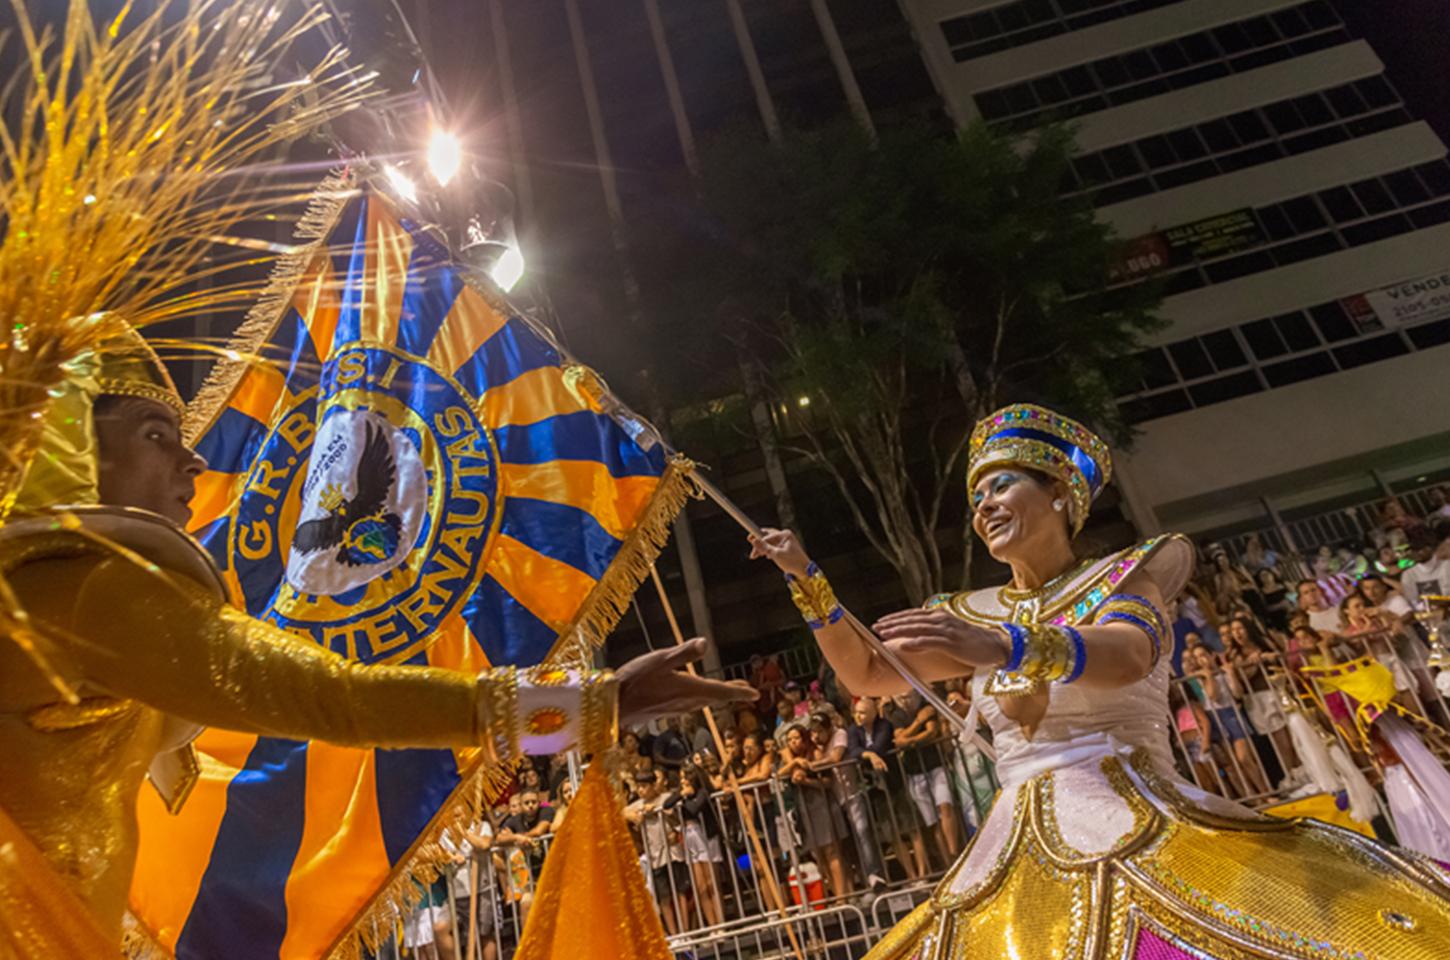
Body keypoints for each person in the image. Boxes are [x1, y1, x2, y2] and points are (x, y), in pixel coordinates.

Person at [0, 325, 758, 952]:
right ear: (68, 448)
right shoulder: (80, 590)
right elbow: (332, 697)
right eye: (156, 434)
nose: (191, 459)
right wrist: (591, 706)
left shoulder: (58, 595)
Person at [749, 403, 1450, 958]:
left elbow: (1126, 655)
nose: (984, 504)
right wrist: (808, 583)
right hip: (1011, 844)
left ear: (1057, 493)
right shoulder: (970, 611)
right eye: (976, 496)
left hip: (1141, 818)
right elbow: (868, 675)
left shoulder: (1120, 576)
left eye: (1001, 485)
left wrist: (1005, 643)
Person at [885, 690, 962, 866]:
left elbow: (932, 732)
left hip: (935, 765)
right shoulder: (896, 714)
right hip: (914, 772)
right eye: (901, 695)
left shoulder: (925, 705)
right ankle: (948, 863)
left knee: (945, 807)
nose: (904, 698)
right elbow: (899, 740)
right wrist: (919, 722)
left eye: (908, 694)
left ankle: (954, 852)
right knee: (932, 822)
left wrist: (910, 739)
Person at [777, 723, 851, 898]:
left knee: (831, 850)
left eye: (796, 738)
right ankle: (835, 891)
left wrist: (806, 781)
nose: (793, 742)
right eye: (789, 740)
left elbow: (827, 782)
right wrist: (794, 762)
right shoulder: (789, 760)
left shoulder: (815, 753)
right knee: (818, 854)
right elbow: (778, 774)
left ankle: (843, 895)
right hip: (804, 808)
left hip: (822, 804)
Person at [1185, 644, 1268, 797]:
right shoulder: (1201, 676)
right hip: (1215, 716)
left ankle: (1265, 792)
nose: (1201, 660)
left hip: (1231, 713)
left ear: (1212, 655)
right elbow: (1212, 696)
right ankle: (1254, 797)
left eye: (1203, 654)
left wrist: (1231, 674)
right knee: (1233, 764)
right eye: (1197, 657)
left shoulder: (1224, 670)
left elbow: (1238, 693)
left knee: (1244, 758)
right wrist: (1209, 676)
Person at [624, 769, 693, 935]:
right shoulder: (637, 804)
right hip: (655, 856)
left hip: (673, 852)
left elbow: (677, 818)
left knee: (679, 892)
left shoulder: (666, 798)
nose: (641, 790)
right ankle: (675, 933)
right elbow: (621, 811)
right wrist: (633, 816)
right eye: (639, 787)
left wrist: (659, 810)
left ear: (654, 785)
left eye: (645, 786)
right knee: (664, 896)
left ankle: (685, 930)